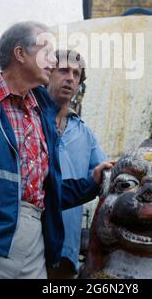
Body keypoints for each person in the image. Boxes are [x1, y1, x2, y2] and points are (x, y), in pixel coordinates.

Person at [0, 21, 112, 279]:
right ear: (20, 54)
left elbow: (48, 191)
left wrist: (92, 183)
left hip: (35, 246)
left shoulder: (42, 116)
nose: (53, 59)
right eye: (47, 52)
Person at [47, 50, 107, 279]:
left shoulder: (85, 134)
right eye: (63, 70)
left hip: (66, 249)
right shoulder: (28, 120)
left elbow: (105, 174)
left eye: (76, 74)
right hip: (27, 240)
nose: (70, 78)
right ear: (47, 74)